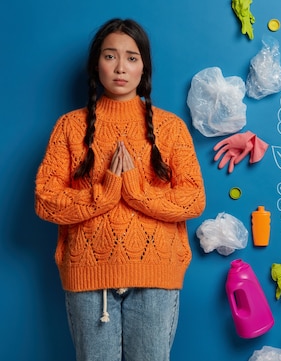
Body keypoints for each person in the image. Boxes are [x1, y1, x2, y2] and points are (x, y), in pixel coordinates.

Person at [34, 18, 206, 361]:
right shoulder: (70, 127)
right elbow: (46, 201)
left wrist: (138, 192)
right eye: (110, 56)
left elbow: (193, 199)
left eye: (131, 57)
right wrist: (106, 191)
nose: (120, 67)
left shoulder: (171, 127)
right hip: (88, 274)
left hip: (156, 272)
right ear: (96, 64)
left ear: (144, 66)